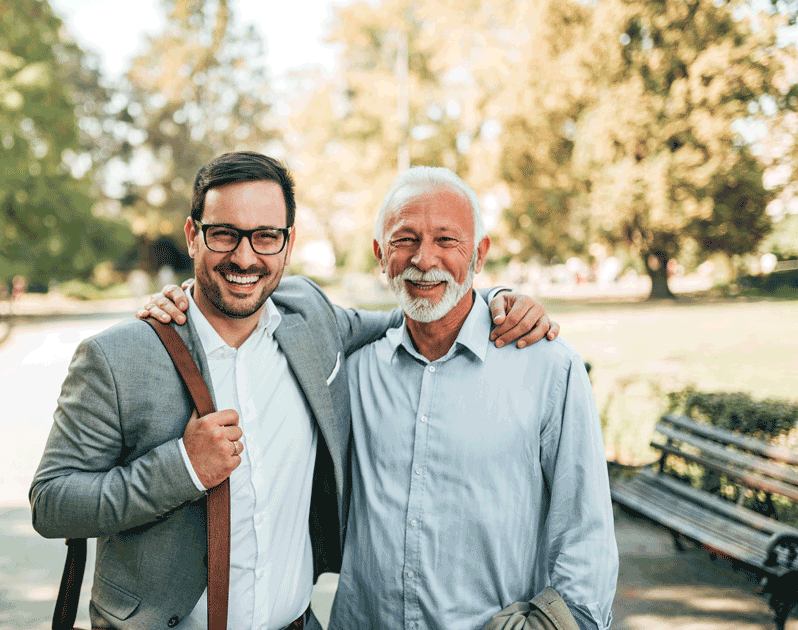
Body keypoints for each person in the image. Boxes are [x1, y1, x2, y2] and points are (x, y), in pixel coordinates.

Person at [31, 151, 557, 630]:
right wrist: (182, 469)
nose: (244, 257)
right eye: (223, 234)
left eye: (266, 236)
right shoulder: (118, 357)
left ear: (287, 242)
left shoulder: (311, 317)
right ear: (193, 236)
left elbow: (415, 309)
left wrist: (497, 300)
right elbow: (51, 503)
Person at [325, 167, 618, 630]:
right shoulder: (355, 373)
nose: (425, 259)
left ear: (479, 254)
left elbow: (587, 534)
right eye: (405, 240)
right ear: (381, 256)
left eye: (447, 240)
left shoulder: (548, 368)